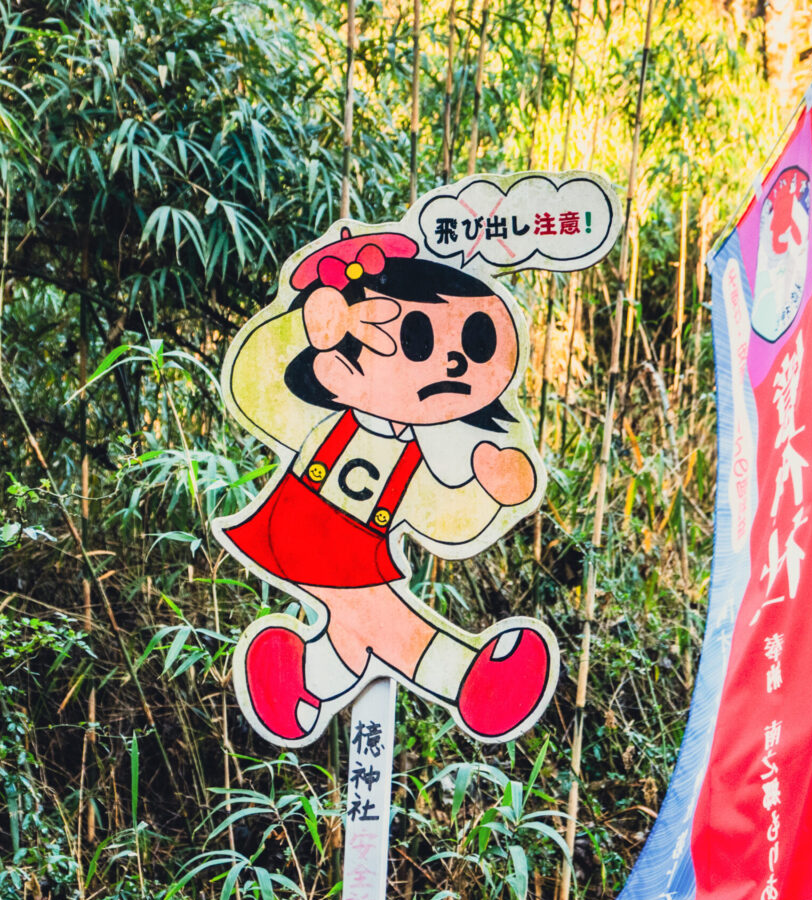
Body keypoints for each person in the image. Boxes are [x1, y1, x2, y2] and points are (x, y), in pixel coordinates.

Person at [213, 226, 558, 746]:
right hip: (300, 535)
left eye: (478, 341)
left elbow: (444, 518)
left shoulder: (414, 459)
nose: (453, 362)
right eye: (417, 337)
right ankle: (471, 681)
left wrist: (493, 492)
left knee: (356, 636)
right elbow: (251, 384)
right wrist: (309, 328)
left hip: (353, 557)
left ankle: (297, 679)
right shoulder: (318, 421)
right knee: (384, 620)